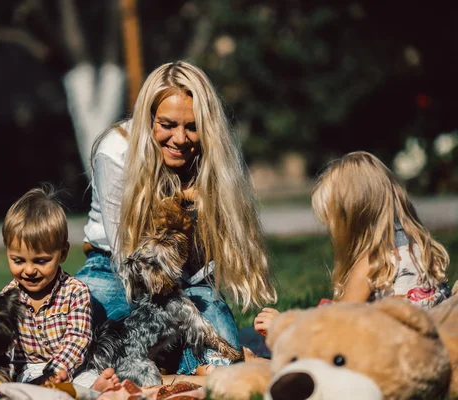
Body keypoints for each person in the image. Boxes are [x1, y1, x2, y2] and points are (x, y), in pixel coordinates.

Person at [75, 61, 277, 380]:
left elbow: (204, 262)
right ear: (148, 118)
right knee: (83, 338)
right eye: (167, 124)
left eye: (193, 126)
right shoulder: (116, 150)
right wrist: (183, 200)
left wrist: (198, 211)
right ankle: (172, 364)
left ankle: (181, 367)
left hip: (187, 279)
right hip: (117, 269)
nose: (180, 139)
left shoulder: (214, 157)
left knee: (223, 355)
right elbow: (127, 255)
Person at [254, 151, 452, 335]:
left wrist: (286, 326)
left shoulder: (373, 262)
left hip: (389, 356)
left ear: (355, 220)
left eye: (333, 222)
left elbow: (337, 326)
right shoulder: (420, 248)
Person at [1, 184, 119, 391]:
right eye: (18, 261)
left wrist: (56, 371)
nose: (29, 270)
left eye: (41, 261)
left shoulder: (75, 292)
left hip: (72, 367)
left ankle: (93, 390)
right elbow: (5, 348)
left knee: (87, 378)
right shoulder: (7, 297)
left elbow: (78, 339)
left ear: (62, 254)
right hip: (29, 370)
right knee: (23, 388)